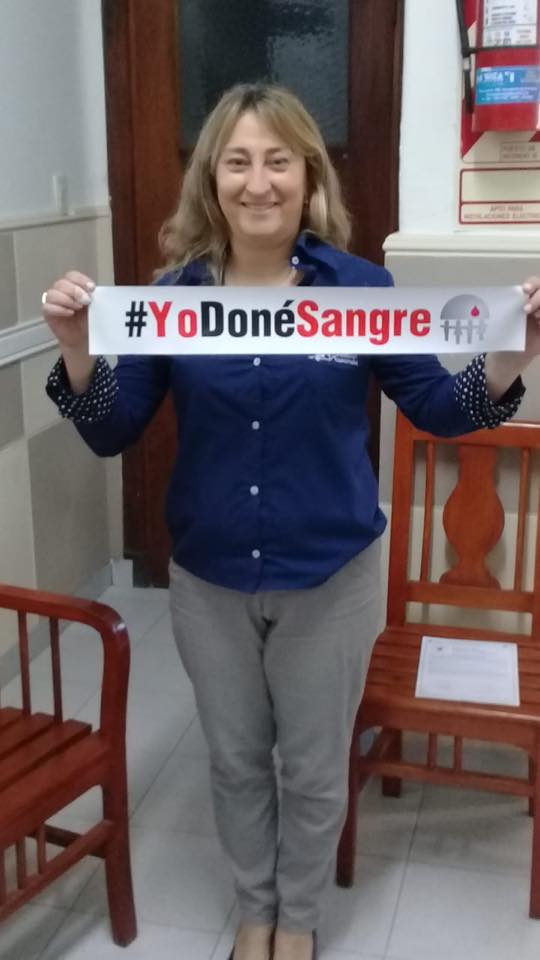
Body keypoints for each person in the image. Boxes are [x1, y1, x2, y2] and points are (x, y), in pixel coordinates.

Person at [43, 83, 540, 960]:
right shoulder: (172, 298)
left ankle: (298, 916)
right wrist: (81, 354)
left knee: (312, 766)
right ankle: (255, 906)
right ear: (212, 178)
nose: (258, 181)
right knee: (236, 761)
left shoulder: (361, 289)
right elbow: (111, 431)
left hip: (330, 580)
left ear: (309, 175)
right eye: (238, 161)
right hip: (210, 579)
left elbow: (441, 407)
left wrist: (507, 360)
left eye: (278, 160)